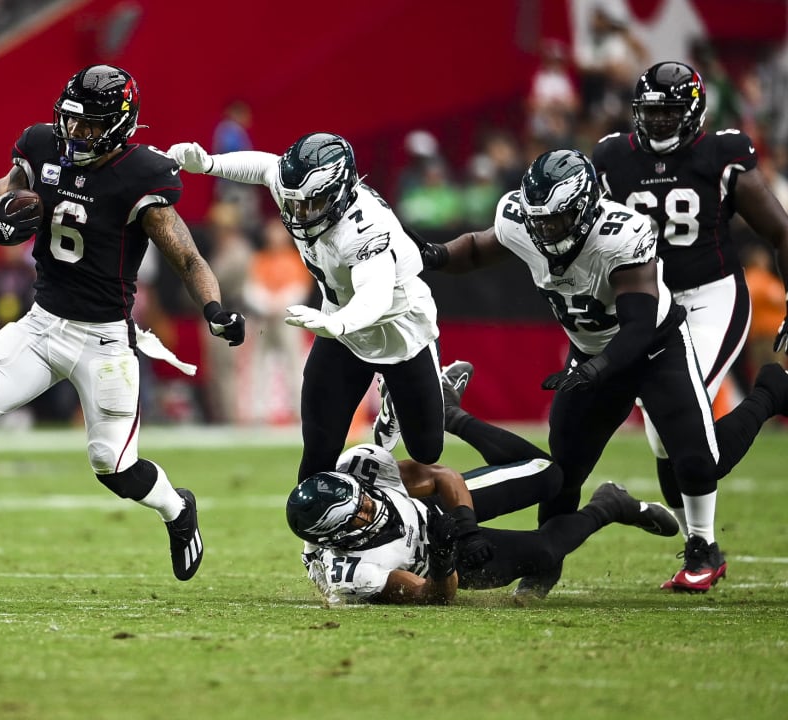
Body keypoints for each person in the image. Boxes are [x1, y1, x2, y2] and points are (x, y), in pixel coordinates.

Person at [0, 65, 245, 584]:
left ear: (119, 124)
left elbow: (189, 258)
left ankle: (177, 509)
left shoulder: (141, 175)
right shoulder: (42, 147)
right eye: (71, 121)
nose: (74, 134)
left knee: (114, 466)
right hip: (40, 327)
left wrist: (215, 310)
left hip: (104, 342)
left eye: (88, 126)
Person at [420, 148, 788, 596]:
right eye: (538, 219)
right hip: (591, 353)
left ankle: (770, 391)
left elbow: (637, 327)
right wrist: (434, 254)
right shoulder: (523, 218)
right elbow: (479, 247)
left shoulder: (622, 234)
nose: (543, 229)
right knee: (562, 472)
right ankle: (547, 561)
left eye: (554, 220)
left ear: (584, 209)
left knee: (700, 464)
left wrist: (597, 370)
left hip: (654, 351)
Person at [591, 61, 788, 576]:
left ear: (695, 110)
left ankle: (701, 546)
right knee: (662, 428)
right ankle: (701, 542)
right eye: (651, 112)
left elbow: (780, 231)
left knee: (677, 411)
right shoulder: (613, 157)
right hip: (650, 304)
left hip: (711, 298)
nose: (659, 122)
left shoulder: (722, 153)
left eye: (671, 111)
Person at [168, 133, 446, 480]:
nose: (297, 212)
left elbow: (375, 296)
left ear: (339, 194)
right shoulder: (301, 191)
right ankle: (317, 529)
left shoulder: (365, 226)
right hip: (340, 322)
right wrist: (209, 164)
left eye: (308, 204)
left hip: (396, 327)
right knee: (319, 447)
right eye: (292, 202)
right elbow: (264, 167)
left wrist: (339, 324)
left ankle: (398, 395)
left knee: (426, 449)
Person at [287, 361, 678, 605]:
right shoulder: (355, 572)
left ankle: (450, 414)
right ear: (338, 536)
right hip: (436, 564)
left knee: (549, 475)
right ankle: (610, 504)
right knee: (543, 553)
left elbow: (441, 476)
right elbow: (432, 596)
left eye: (364, 500)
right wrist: (443, 557)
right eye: (359, 514)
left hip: (434, 511)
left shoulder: (360, 470)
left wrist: (465, 528)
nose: (369, 506)